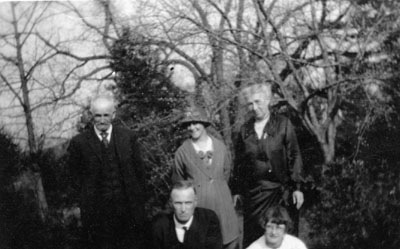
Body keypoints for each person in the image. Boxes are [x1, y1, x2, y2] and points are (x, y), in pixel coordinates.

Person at [67, 95, 146, 249]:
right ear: (91, 116)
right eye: (98, 115)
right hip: (98, 216)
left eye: (106, 115)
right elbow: (73, 178)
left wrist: (140, 203)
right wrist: (80, 206)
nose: (102, 120)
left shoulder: (128, 137)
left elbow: (140, 173)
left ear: (113, 115)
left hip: (129, 212)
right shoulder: (79, 143)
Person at [231, 83, 304, 247]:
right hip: (255, 195)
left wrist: (297, 187)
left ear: (268, 100)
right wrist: (236, 190)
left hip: (281, 193)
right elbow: (239, 164)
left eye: (258, 102)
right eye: (250, 104)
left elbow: (294, 154)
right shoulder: (245, 130)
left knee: (281, 237)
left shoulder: (283, 124)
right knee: (255, 237)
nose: (254, 107)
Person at [172, 106, 239, 249]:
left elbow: (226, 172)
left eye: (196, 122)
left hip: (223, 206)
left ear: (204, 123)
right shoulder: (182, 152)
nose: (192, 127)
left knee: (228, 240)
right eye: (188, 124)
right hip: (199, 209)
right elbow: (178, 182)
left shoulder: (220, 147)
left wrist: (216, 188)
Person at [152, 180, 223, 249]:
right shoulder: (159, 225)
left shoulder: (208, 219)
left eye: (188, 203)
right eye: (178, 203)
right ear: (171, 204)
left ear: (195, 202)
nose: (183, 209)